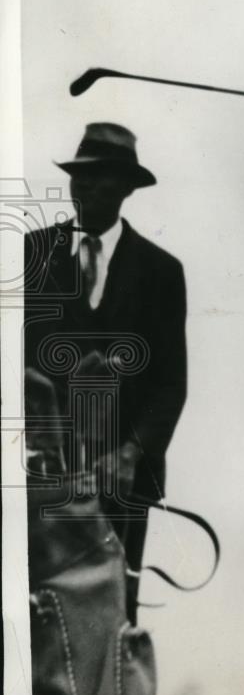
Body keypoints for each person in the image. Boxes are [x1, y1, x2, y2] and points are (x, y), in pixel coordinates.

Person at [24, 122, 187, 621]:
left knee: (114, 617)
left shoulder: (161, 271)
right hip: (42, 477)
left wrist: (131, 453)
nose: (86, 186)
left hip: (125, 481)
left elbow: (171, 385)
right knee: (40, 613)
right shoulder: (30, 255)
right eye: (79, 175)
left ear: (126, 188)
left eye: (101, 176)